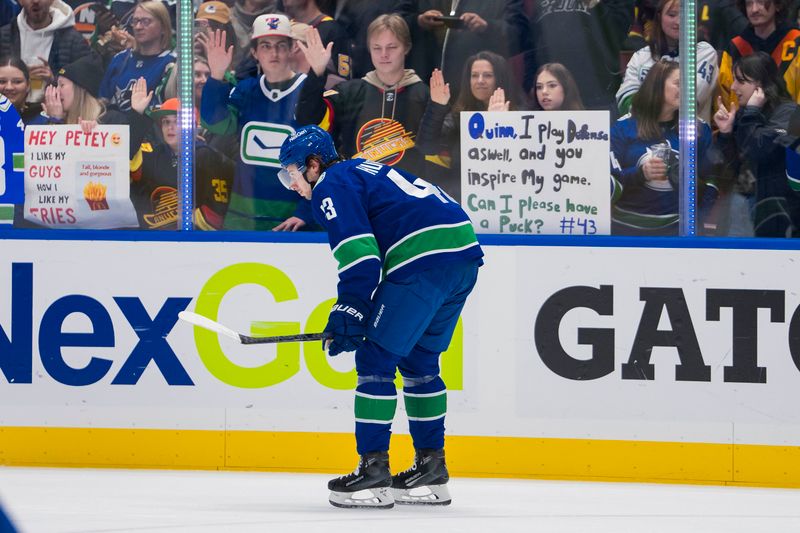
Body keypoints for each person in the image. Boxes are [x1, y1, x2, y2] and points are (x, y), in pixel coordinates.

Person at [278, 124, 483, 509]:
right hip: (463, 257)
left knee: (375, 360)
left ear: (312, 164)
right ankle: (431, 471)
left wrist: (351, 307)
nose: (291, 184)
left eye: (290, 172)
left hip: (422, 260)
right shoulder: (361, 171)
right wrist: (356, 308)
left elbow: (360, 254)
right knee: (420, 361)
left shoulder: (330, 183)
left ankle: (373, 473)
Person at [201, 13, 314, 231]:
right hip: (243, 219)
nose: (274, 53)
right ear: (254, 52)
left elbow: (323, 159)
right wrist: (216, 76)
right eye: (266, 46)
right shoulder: (246, 90)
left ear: (292, 48)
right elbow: (215, 124)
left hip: (292, 221)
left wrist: (306, 212)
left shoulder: (308, 92)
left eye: (281, 45)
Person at [296, 14, 430, 177]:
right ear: (369, 49)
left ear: (407, 47)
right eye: (377, 48)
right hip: (358, 193)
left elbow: (435, 153)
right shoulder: (349, 92)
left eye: (392, 47)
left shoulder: (424, 95)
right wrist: (317, 74)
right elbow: (307, 119)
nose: (384, 54)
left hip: (407, 197)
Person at [610, 60, 718, 235]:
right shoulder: (623, 128)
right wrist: (640, 174)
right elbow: (608, 184)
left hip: (677, 233)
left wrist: (698, 218)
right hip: (627, 233)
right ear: (657, 86)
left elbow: (711, 179)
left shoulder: (698, 129)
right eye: (678, 84)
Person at [416, 50, 522, 201]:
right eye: (474, 75)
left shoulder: (521, 115)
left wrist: (498, 126)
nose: (480, 80)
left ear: (500, 79)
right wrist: (437, 107)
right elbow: (426, 147)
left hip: (508, 201)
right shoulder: (458, 117)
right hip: (467, 202)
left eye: (487, 75)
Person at [714, 51, 800, 236]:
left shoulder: (789, 113)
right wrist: (725, 134)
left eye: (741, 81)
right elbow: (730, 170)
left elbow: (760, 150)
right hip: (741, 205)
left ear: (761, 85)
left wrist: (752, 112)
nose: (733, 86)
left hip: (777, 211)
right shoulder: (745, 115)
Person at [616, 0, 719, 121]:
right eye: (671, 15)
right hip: (643, 135)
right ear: (660, 17)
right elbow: (624, 99)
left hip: (687, 135)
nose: (678, 22)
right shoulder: (641, 56)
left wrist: (647, 100)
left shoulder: (704, 53)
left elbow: (689, 102)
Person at [525, 0, 634, 114]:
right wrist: (530, 83)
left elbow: (616, 35)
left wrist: (596, 4)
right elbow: (533, 41)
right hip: (550, 97)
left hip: (596, 96)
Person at [406, 0, 529, 100]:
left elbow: (520, 36)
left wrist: (487, 27)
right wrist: (418, 21)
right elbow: (394, 21)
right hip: (423, 92)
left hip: (478, 97)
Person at [0, 0, 91, 103]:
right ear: (20, 1)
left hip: (54, 110)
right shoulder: (4, 36)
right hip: (7, 109)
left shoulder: (74, 40)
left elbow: (86, 88)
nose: (35, 1)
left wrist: (55, 80)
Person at [717, 0, 800, 108]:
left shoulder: (796, 42)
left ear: (778, 5)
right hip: (743, 122)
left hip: (790, 121)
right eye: (749, 3)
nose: (754, 9)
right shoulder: (735, 48)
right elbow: (726, 102)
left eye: (761, 2)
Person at [98, 0, 175, 112]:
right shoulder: (120, 59)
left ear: (163, 27)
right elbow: (102, 102)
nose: (138, 27)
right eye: (135, 21)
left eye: (146, 21)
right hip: (118, 128)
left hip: (150, 128)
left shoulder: (170, 65)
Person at [0, 55, 43, 123]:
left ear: (28, 85)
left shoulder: (41, 116)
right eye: (2, 81)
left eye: (17, 82)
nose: (9, 87)